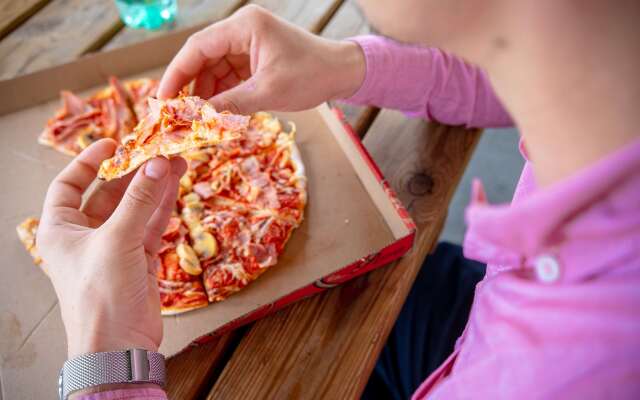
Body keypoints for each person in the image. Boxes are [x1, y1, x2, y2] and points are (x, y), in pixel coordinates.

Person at [38, 1, 640, 399]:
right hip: (480, 313)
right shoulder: (603, 58)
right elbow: (521, 64)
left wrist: (105, 359)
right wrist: (344, 64)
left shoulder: (576, 372)